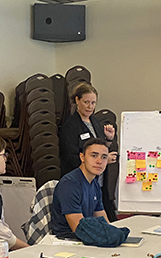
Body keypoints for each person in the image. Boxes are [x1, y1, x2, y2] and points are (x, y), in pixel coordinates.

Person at [58, 83, 118, 220]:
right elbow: (70, 156)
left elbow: (99, 147)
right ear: (77, 101)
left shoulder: (95, 121)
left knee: (107, 218)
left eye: (93, 103)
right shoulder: (70, 126)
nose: (90, 107)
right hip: (81, 181)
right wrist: (103, 159)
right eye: (86, 102)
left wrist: (108, 140)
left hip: (98, 181)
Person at [50, 138, 109, 239]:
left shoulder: (94, 184)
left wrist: (114, 234)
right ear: (82, 157)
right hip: (67, 241)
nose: (99, 161)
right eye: (94, 156)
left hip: (85, 237)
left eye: (104, 157)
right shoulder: (70, 184)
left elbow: (101, 216)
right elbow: (79, 229)